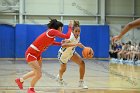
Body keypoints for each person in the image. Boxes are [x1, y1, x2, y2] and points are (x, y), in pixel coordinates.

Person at [15, 19, 73, 93]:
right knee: (39, 74)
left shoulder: (52, 35)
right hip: (31, 53)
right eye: (62, 28)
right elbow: (67, 36)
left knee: (36, 72)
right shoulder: (52, 31)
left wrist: (61, 43)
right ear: (59, 28)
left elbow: (52, 43)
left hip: (38, 54)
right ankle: (30, 89)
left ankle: (20, 80)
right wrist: (70, 27)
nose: (62, 30)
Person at [57, 20, 88, 89]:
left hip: (71, 53)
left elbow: (78, 43)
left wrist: (85, 48)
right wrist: (76, 44)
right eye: (76, 31)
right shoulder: (70, 37)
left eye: (79, 31)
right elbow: (63, 45)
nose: (77, 32)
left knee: (82, 63)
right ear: (73, 31)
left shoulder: (78, 37)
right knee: (63, 69)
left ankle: (81, 82)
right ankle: (59, 77)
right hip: (63, 54)